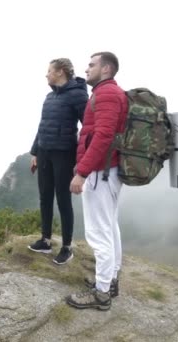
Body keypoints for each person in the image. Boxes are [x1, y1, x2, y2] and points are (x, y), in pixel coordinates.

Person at [66, 52, 128, 311]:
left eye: (92, 64)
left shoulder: (106, 94)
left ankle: (102, 294)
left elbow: (102, 136)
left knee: (98, 232)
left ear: (106, 69)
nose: (87, 68)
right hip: (108, 171)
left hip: (101, 173)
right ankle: (110, 280)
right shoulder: (109, 93)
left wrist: (82, 172)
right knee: (110, 226)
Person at [28, 58, 88, 265]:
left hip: (64, 153)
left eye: (49, 71)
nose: (46, 75)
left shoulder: (78, 95)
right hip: (45, 152)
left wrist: (81, 160)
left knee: (63, 200)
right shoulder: (50, 96)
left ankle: (67, 247)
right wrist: (35, 152)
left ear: (60, 72)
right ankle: (45, 240)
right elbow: (42, 126)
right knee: (45, 196)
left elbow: (88, 128)